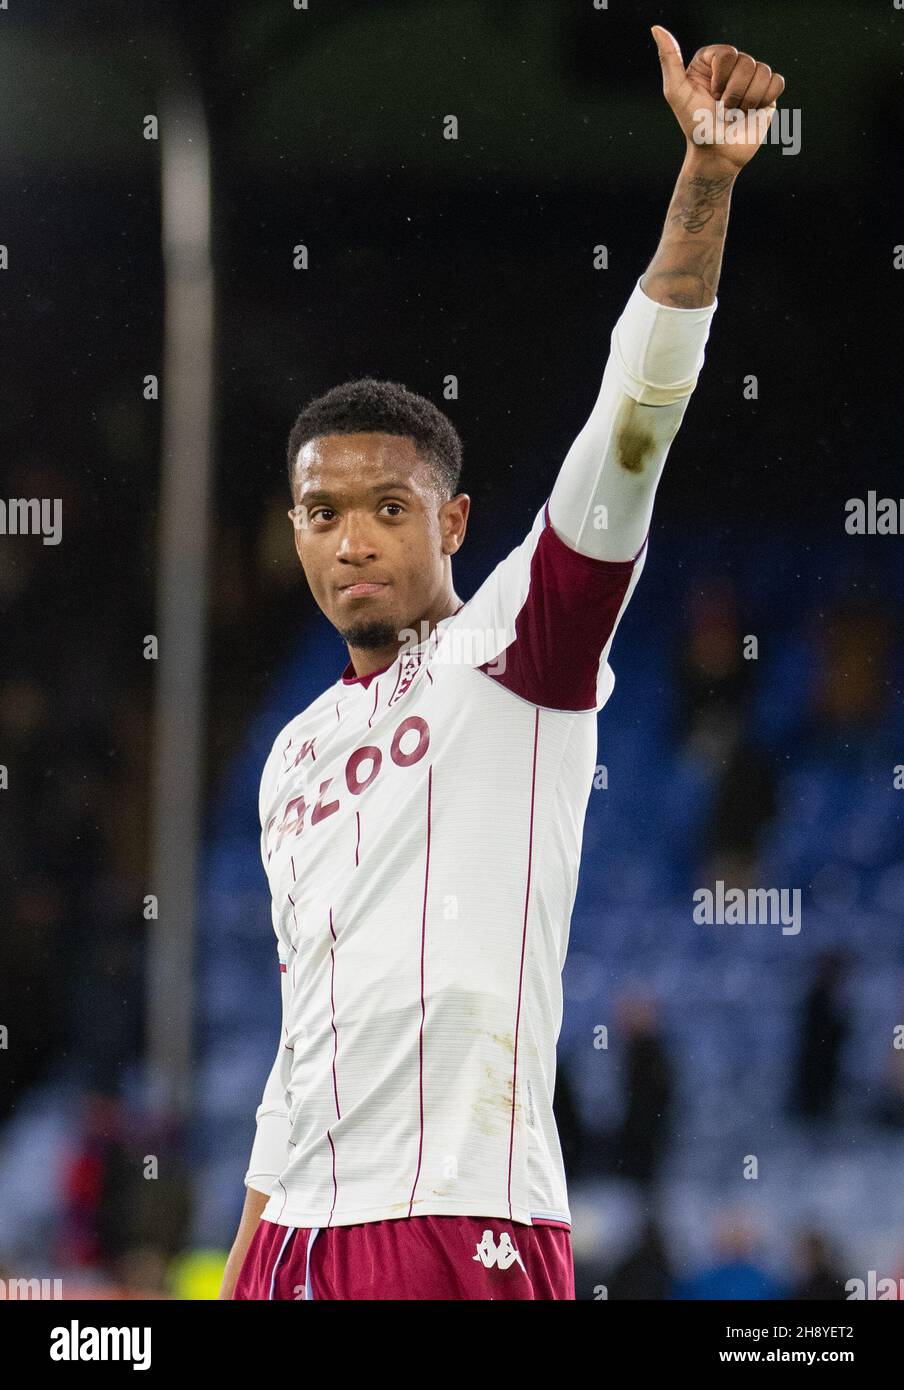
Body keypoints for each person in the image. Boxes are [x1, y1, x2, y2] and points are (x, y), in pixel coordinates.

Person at [221, 28, 785, 1300]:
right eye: (321, 513)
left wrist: (703, 184)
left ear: (454, 522)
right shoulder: (289, 753)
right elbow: (297, 1047)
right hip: (292, 1240)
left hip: (458, 1219)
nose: (351, 539)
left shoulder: (518, 653)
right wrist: (244, 1265)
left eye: (385, 506)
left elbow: (632, 419)